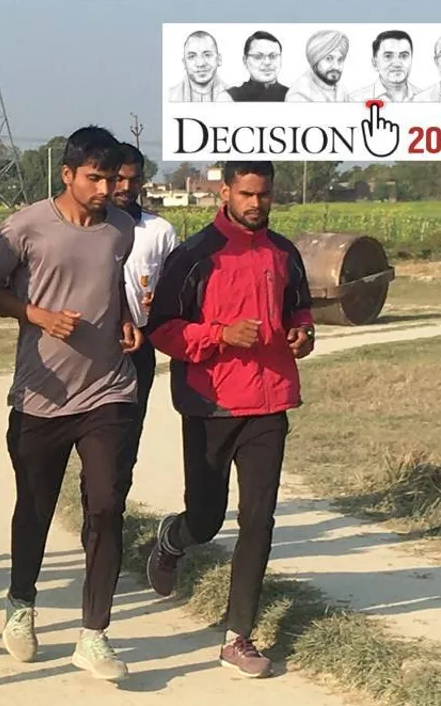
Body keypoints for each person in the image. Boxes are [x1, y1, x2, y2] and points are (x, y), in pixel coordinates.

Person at [0, 126, 143, 682]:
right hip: (42, 397)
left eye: (111, 178)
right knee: (36, 508)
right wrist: (36, 315)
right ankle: (21, 606)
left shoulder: (121, 229)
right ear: (66, 174)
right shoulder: (26, 226)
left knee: (107, 505)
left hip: (109, 390)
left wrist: (124, 319)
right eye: (94, 177)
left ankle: (94, 635)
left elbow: (109, 284)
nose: (104, 188)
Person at [143, 160, 315, 680]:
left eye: (264, 195)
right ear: (224, 193)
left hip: (269, 403)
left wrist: (303, 334)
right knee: (207, 517)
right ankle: (174, 539)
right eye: (246, 194)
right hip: (210, 403)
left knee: (259, 520)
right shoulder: (194, 255)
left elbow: (300, 310)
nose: (256, 204)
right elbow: (163, 330)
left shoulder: (284, 252)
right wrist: (219, 335)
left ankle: (237, 636)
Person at [112, 144, 179, 479]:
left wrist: (163, 301)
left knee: (128, 435)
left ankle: (111, 515)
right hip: (93, 347)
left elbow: (178, 286)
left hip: (140, 347)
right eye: (118, 178)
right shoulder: (85, 227)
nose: (125, 187)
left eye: (133, 179)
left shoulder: (160, 231)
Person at [350, 30, 422, 103]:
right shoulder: (355, 100)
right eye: (388, 56)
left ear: (411, 59)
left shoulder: (425, 98)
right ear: (375, 63)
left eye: (404, 56)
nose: (397, 64)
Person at [285, 30, 353, 102]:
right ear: (315, 60)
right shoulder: (298, 96)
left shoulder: (340, 88)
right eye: (328, 59)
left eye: (340, 60)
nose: (336, 66)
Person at [169, 31, 233, 102]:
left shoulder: (234, 97)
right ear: (184, 63)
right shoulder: (169, 97)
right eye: (192, 56)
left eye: (207, 55)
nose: (200, 63)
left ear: (219, 59)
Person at [227, 31, 288, 102]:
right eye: (258, 56)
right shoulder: (231, 97)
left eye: (273, 56)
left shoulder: (292, 96)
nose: (267, 62)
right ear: (245, 61)